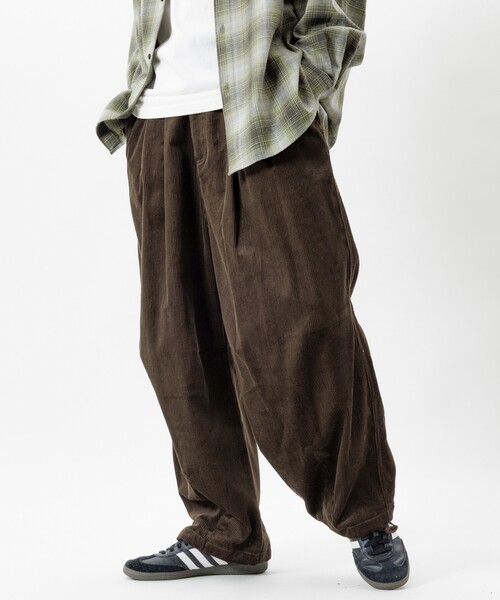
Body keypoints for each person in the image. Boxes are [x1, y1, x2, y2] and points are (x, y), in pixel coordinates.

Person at [95, 0, 410, 590]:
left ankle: (368, 518)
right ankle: (225, 531)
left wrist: (305, 88)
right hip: (158, 119)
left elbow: (336, 13)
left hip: (262, 115)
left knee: (301, 323)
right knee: (177, 342)